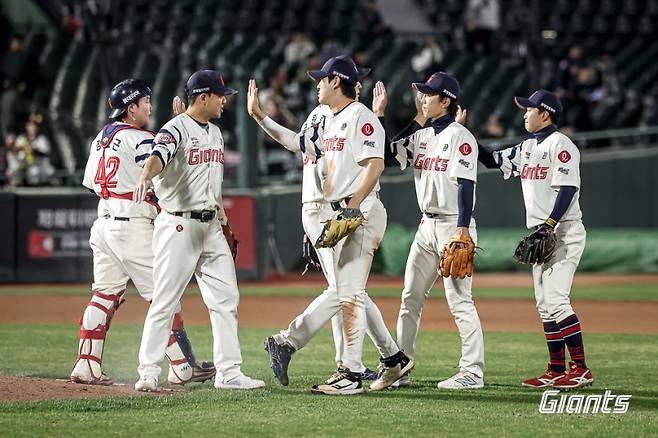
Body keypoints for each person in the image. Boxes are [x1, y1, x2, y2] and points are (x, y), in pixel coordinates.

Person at [247, 63, 403, 387]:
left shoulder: (357, 116)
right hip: (331, 209)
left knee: (346, 291)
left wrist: (349, 206)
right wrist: (261, 117)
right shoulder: (325, 118)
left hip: (356, 209)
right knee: (348, 291)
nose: (316, 84)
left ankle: (326, 359)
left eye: (321, 79)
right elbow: (303, 148)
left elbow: (375, 163)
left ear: (336, 81)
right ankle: (389, 359)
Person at [71, 79, 215, 386]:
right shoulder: (141, 138)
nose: (149, 106)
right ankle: (182, 366)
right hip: (132, 224)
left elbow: (92, 184)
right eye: (145, 102)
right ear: (131, 107)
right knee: (165, 296)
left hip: (104, 222)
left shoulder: (101, 138)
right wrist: (183, 126)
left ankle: (86, 364)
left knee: (105, 294)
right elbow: (169, 175)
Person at [133, 70, 265, 392]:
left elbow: (212, 185)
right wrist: (146, 176)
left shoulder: (216, 133)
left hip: (211, 227)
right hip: (178, 225)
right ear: (203, 97)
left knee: (226, 298)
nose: (225, 101)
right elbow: (157, 156)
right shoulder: (174, 128)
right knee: (165, 299)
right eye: (220, 96)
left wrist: (224, 221)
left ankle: (229, 373)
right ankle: (148, 371)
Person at [472, 89, 592, 389]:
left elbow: (568, 189)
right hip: (542, 231)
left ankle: (581, 369)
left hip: (563, 230)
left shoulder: (561, 145)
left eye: (529, 109)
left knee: (557, 300)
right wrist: (464, 136)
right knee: (544, 305)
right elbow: (492, 160)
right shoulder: (527, 147)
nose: (525, 113)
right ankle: (556, 369)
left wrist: (550, 224)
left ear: (545, 114)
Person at [387, 72, 485, 389]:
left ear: (445, 101)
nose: (423, 98)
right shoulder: (423, 136)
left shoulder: (460, 136)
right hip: (426, 226)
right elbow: (388, 153)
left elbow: (466, 185)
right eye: (422, 94)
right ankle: (400, 367)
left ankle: (472, 371)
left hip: (453, 225)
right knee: (410, 297)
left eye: (428, 95)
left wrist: (462, 230)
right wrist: (414, 117)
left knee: (459, 301)